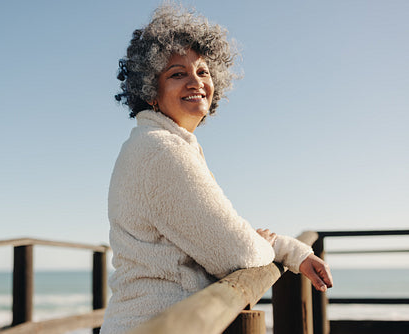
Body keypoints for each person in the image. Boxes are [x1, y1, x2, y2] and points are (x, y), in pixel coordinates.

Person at [101, 4, 333, 333]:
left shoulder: (164, 143)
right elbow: (237, 253)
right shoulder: (160, 151)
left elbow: (220, 235)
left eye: (203, 72)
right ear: (151, 92)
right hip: (159, 324)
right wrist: (267, 246)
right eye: (177, 73)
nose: (195, 82)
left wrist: (287, 249)